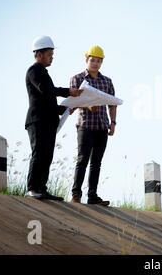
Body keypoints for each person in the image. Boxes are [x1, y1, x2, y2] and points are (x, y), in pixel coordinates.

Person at [25, 35, 83, 200]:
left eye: (52, 54)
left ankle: (42, 189)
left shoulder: (44, 72)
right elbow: (46, 90)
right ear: (39, 54)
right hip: (37, 120)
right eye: (49, 54)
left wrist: (65, 108)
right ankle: (32, 189)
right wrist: (68, 92)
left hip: (49, 121)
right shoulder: (34, 71)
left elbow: (48, 100)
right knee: (39, 153)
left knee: (47, 155)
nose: (52, 57)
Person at [69, 45, 117, 206]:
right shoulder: (77, 79)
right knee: (82, 159)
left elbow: (112, 104)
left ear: (102, 62)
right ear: (86, 60)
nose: (95, 63)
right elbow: (72, 103)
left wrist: (113, 123)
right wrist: (87, 106)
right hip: (85, 125)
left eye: (98, 61)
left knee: (96, 162)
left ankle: (92, 196)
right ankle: (76, 194)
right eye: (92, 60)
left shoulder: (107, 82)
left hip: (102, 126)